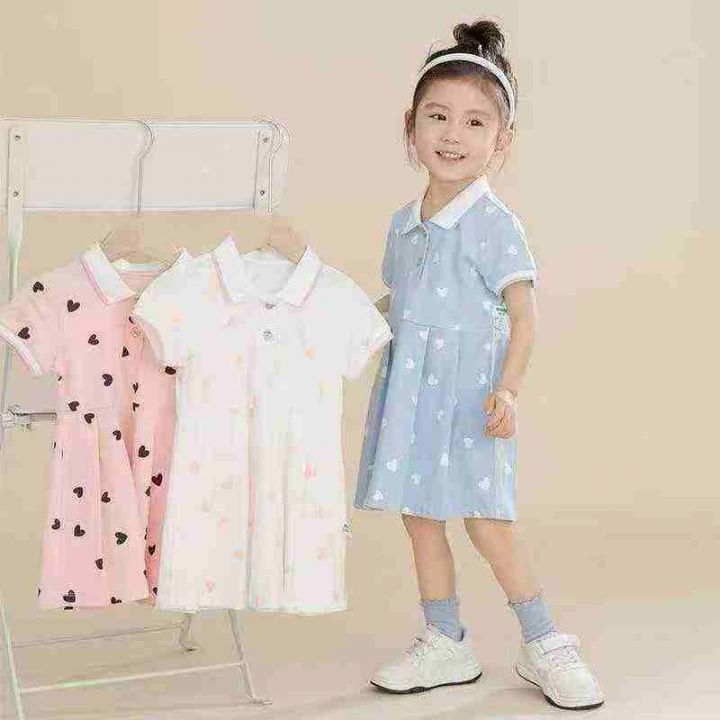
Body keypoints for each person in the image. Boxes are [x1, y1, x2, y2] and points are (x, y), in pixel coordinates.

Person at [354, 18, 604, 710]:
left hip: (470, 403)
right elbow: (400, 302)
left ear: (502, 141)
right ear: (411, 126)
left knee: (486, 522)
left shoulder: (494, 225)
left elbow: (524, 316)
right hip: (413, 399)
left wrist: (510, 391)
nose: (452, 135)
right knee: (420, 517)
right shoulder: (404, 224)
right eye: (437, 116)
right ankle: (445, 641)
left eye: (474, 122)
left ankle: (544, 641)